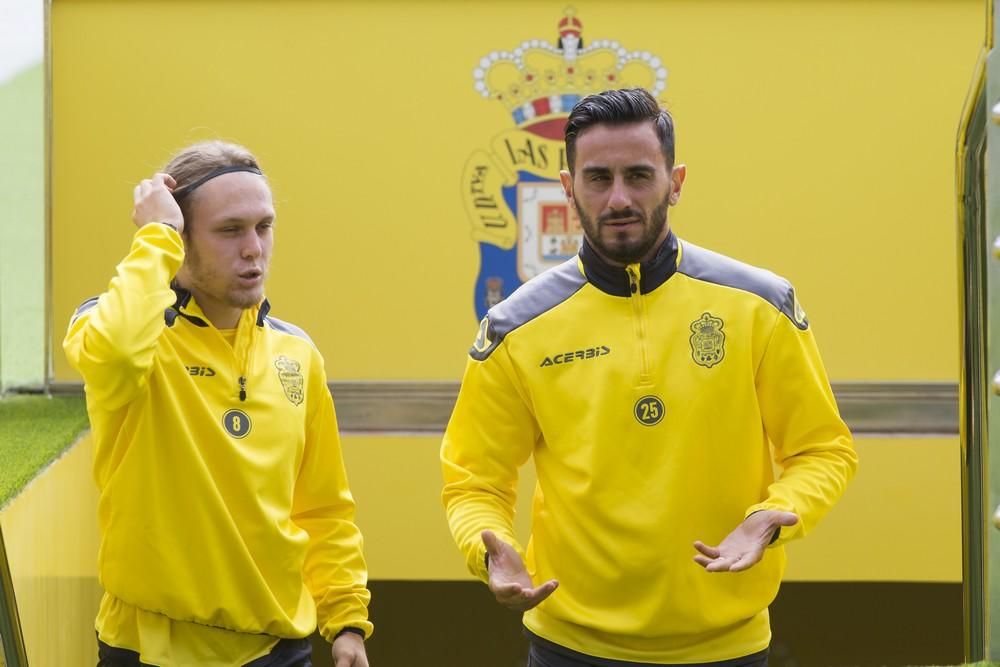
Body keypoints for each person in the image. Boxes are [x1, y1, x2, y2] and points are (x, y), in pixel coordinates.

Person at [441, 88, 858, 666]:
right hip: (569, 647)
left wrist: (770, 517)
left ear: (676, 181)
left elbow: (823, 450)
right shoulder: (516, 328)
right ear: (568, 189)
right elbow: (474, 481)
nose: (618, 198)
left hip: (728, 647)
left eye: (639, 176)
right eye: (597, 178)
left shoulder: (759, 305)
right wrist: (490, 549)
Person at [64, 141, 372, 667]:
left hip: (278, 650)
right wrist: (155, 236)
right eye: (230, 230)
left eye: (264, 226)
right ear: (179, 240)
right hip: (147, 651)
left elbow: (322, 508)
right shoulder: (119, 326)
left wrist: (346, 622)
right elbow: (113, 354)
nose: (253, 248)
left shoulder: (297, 353)